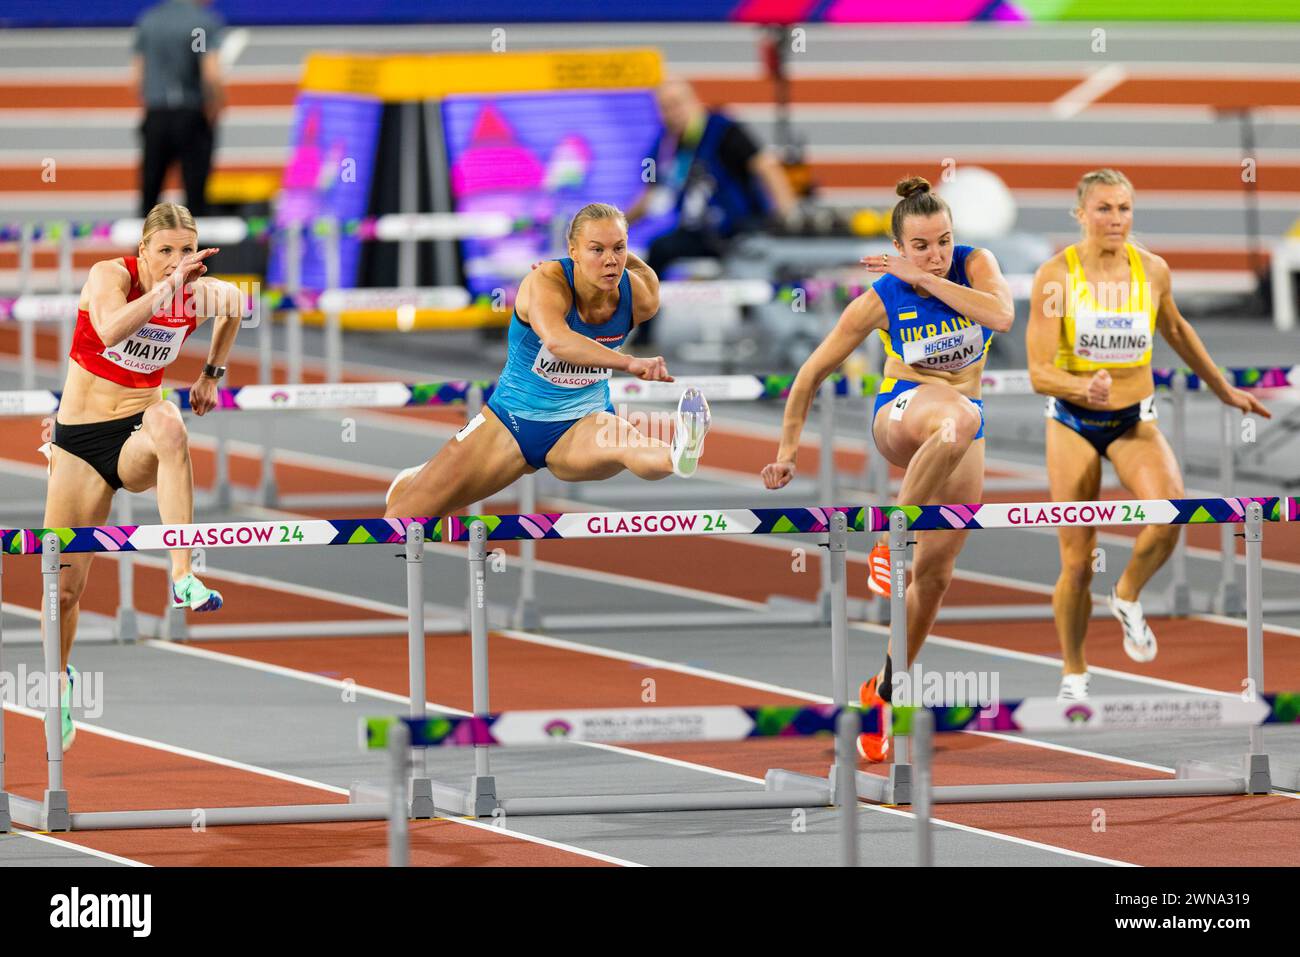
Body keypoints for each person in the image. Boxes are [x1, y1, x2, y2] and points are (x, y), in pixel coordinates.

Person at [761, 177, 1013, 761]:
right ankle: (888, 535)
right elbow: (809, 374)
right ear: (899, 247)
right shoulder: (878, 299)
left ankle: (885, 687)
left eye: (943, 241)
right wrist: (787, 451)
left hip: (961, 426)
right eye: (921, 247)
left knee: (937, 576)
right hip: (902, 418)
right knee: (951, 418)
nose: (937, 255)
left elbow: (1000, 316)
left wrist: (928, 278)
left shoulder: (975, 265)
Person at [1027, 168, 1270, 700]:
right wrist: (1078, 386)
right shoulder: (1056, 277)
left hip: (1133, 418)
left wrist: (1224, 388)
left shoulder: (1152, 271)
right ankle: (1074, 671)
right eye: (1103, 208)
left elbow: (1177, 330)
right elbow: (1038, 370)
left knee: (1170, 513)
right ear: (1081, 214)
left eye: (1124, 208)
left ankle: (1128, 594)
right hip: (1072, 421)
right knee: (1075, 561)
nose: (1115, 219)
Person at [45, 202, 243, 750]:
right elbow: (109, 331)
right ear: (142, 253)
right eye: (165, 251)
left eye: (186, 250)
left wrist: (211, 374)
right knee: (63, 591)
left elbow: (236, 303)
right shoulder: (110, 276)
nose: (177, 261)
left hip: (136, 434)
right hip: (81, 442)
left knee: (169, 421)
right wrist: (167, 290)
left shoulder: (198, 292)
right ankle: (59, 683)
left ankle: (181, 575)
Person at [384, 202, 711, 518]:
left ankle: (678, 452)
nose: (610, 261)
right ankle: (412, 480)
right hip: (511, 424)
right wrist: (627, 363)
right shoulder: (546, 283)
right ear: (573, 252)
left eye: (619, 249)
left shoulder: (641, 295)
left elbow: (616, 260)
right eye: (596, 250)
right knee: (403, 517)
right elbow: (558, 341)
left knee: (628, 444)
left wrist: (603, 249)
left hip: (583, 421)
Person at [625, 79, 797, 345]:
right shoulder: (666, 144)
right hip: (699, 233)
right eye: (665, 107)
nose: (673, 112)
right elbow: (647, 198)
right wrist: (612, 227)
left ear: (694, 100)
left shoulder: (724, 129)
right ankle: (645, 336)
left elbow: (767, 166)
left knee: (751, 265)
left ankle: (762, 330)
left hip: (741, 229)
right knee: (658, 251)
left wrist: (789, 216)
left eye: (677, 104)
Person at [132, 0, 227, 216]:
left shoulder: (149, 20)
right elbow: (209, 73)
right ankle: (194, 247)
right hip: (190, 115)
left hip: (156, 116)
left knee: (150, 193)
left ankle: (145, 246)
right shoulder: (201, 23)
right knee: (195, 196)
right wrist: (217, 103)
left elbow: (136, 78)